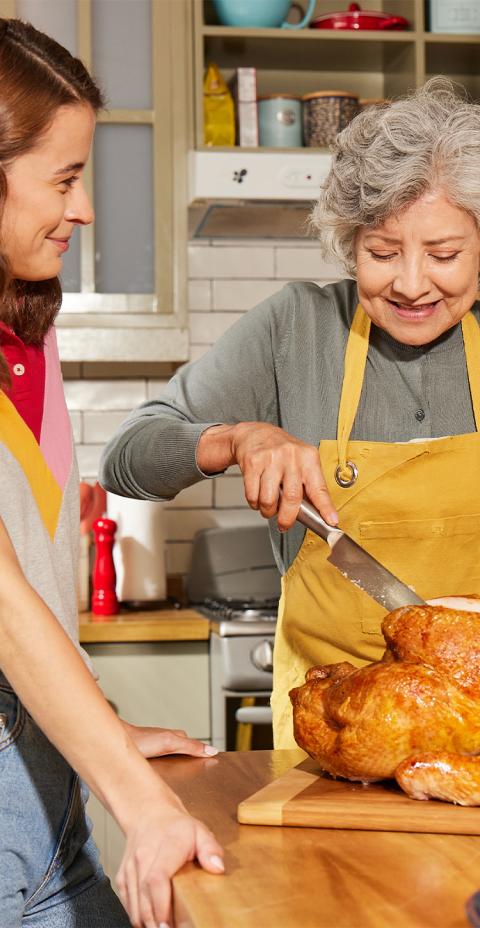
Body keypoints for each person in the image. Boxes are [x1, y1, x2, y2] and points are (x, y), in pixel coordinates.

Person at [101, 78, 480, 751]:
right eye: (382, 253)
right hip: (331, 739)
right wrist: (237, 438)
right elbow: (127, 456)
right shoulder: (298, 327)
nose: (413, 283)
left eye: (445, 255)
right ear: (348, 243)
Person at [0, 18, 224, 928]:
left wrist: (108, 739)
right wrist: (140, 799)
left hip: (52, 796)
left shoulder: (27, 326)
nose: (85, 209)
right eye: (63, 178)